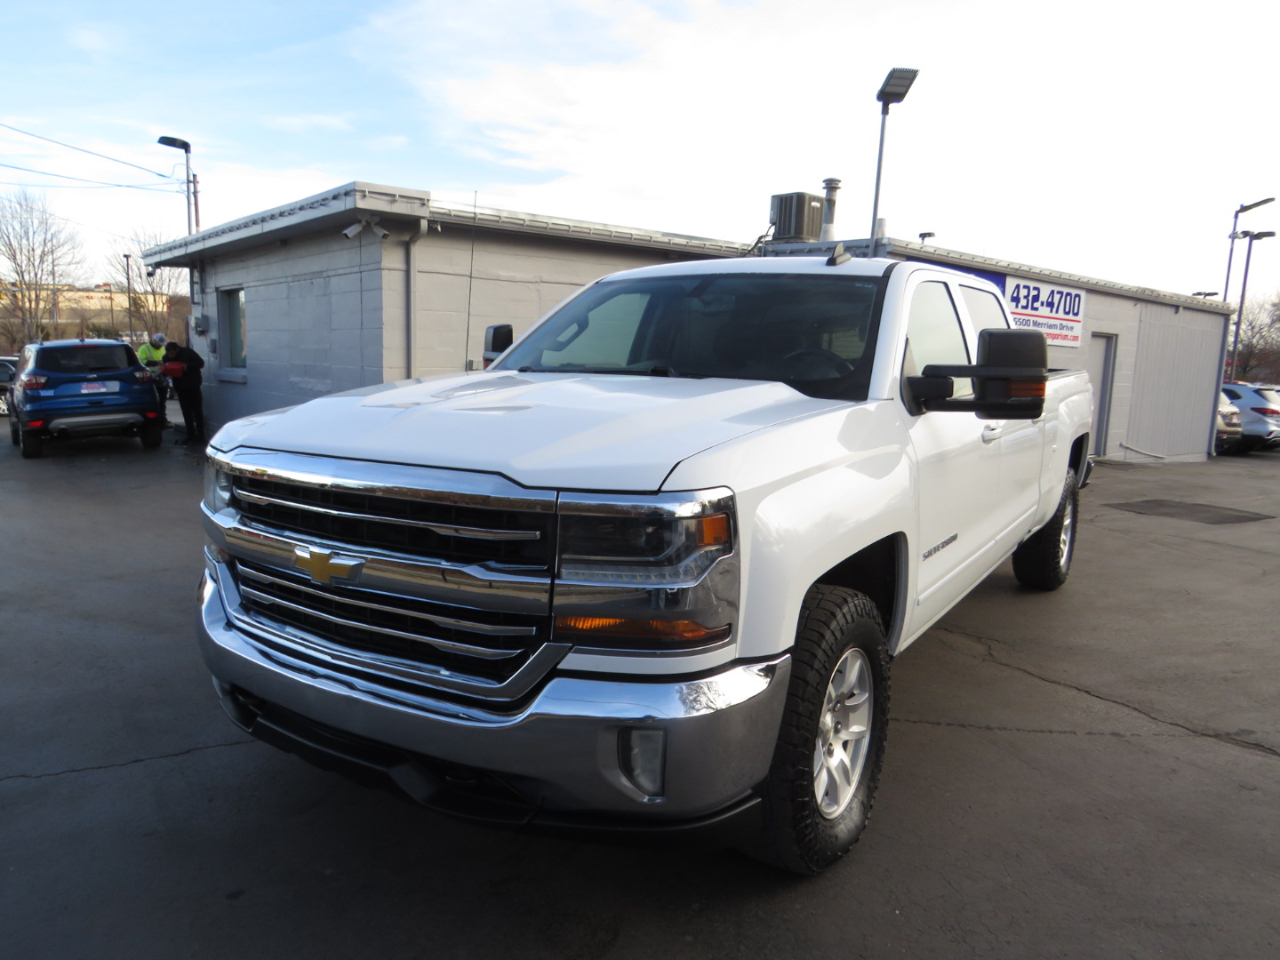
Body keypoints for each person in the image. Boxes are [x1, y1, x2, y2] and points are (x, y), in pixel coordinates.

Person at [162, 341, 206, 446]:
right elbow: (165, 369)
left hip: (193, 385)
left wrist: (188, 366)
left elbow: (201, 363)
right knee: (186, 412)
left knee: (197, 411)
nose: (170, 356)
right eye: (169, 354)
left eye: (172, 353)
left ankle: (201, 435)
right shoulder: (166, 358)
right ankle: (190, 435)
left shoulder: (187, 352)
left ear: (176, 349)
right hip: (181, 387)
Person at [136, 333, 169, 405]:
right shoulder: (144, 348)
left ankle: (162, 414)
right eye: (159, 344)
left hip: (161, 376)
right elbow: (142, 362)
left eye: (162, 344)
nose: (160, 345)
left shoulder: (163, 348)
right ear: (154, 341)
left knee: (162, 399)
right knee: (152, 400)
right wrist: (156, 363)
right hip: (150, 376)